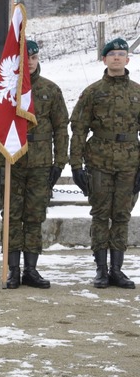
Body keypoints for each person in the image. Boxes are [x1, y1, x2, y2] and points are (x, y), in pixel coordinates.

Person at [0, 40, 69, 289]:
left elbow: (61, 129)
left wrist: (60, 162)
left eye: (33, 59)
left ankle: (31, 269)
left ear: (38, 60)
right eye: (25, 59)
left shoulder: (51, 90)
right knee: (12, 217)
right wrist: (2, 137)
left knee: (35, 217)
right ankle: (13, 270)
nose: (30, 63)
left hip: (39, 165)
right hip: (10, 162)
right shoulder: (3, 89)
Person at [70, 37, 140, 290]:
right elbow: (78, 130)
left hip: (130, 163)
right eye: (112, 54)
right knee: (100, 215)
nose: (117, 58)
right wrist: (75, 165)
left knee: (121, 216)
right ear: (105, 59)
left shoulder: (137, 92)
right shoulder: (93, 92)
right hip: (99, 161)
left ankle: (117, 270)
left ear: (127, 59)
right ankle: (101, 270)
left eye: (122, 54)